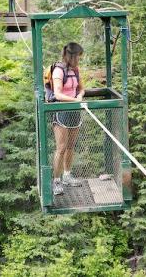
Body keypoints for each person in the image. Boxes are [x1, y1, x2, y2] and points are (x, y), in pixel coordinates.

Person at [52, 42, 85, 195]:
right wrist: (74, 100)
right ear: (70, 56)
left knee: (71, 146)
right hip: (62, 110)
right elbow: (58, 94)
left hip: (75, 110)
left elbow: (81, 88)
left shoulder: (76, 70)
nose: (79, 59)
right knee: (61, 147)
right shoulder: (59, 71)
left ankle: (67, 175)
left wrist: (80, 95)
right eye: (78, 57)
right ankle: (56, 181)